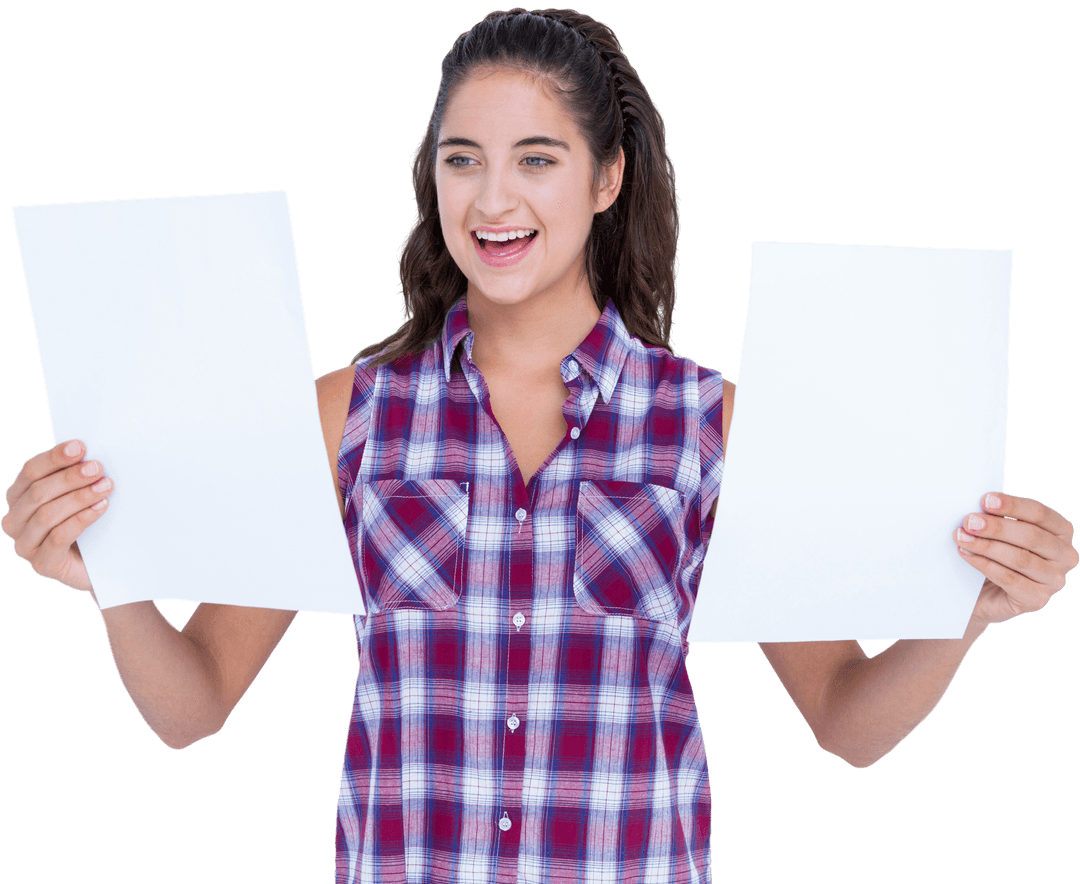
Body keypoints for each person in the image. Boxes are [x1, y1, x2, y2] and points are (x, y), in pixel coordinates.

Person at [2, 7, 1075, 883]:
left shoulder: (709, 425)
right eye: (463, 159)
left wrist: (965, 613)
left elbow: (845, 719)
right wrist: (112, 575)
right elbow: (194, 706)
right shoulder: (346, 416)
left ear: (607, 179)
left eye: (537, 158)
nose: (493, 198)